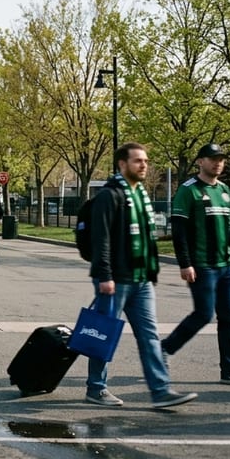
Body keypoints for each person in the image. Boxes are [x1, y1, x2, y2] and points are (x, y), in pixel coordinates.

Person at [86, 142, 196, 408]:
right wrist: (105, 276)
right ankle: (96, 388)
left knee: (149, 335)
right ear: (122, 164)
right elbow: (101, 240)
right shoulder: (110, 196)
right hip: (116, 280)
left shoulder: (140, 196)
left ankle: (160, 390)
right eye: (138, 161)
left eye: (145, 160)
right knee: (104, 334)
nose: (144, 165)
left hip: (141, 280)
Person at [162, 144, 230, 383]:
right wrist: (185, 263)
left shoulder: (224, 190)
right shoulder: (188, 190)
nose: (218, 163)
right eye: (212, 159)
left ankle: (229, 370)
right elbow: (179, 230)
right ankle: (165, 348)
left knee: (229, 317)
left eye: (221, 159)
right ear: (200, 162)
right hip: (202, 265)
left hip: (226, 265)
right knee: (204, 314)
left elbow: (229, 230)